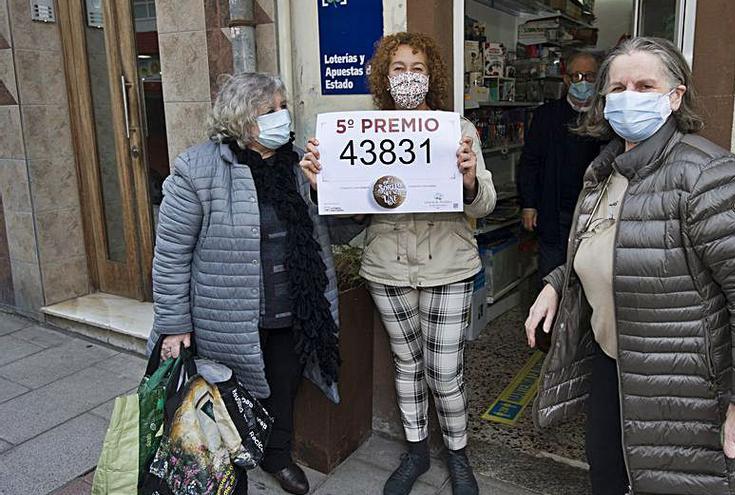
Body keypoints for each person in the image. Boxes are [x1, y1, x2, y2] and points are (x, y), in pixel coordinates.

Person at [524, 38, 735, 495]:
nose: (628, 96)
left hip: (684, 386)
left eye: (645, 85)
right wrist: (558, 283)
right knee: (608, 478)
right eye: (618, 87)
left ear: (675, 96)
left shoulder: (707, 174)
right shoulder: (605, 170)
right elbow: (600, 248)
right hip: (613, 367)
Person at [300, 32, 496, 495]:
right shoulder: (363, 133)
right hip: (388, 267)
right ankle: (416, 452)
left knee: (444, 370)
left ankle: (458, 454)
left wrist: (469, 181)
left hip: (448, 264)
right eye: (399, 69)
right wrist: (320, 185)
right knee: (407, 365)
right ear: (385, 78)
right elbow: (351, 214)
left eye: (419, 69)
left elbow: (484, 205)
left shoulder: (457, 130)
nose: (409, 78)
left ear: (433, 77)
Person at [147, 73, 342, 495]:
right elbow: (171, 255)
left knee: (283, 388)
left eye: (283, 106)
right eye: (270, 110)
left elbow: (341, 231)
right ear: (242, 120)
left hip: (293, 307)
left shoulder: (299, 165)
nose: (282, 116)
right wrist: (175, 324)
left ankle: (277, 456)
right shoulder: (196, 169)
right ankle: (222, 467)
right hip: (227, 317)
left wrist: (324, 188)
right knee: (224, 396)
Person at [517, 50, 608, 278]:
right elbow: (530, 162)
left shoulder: (608, 116)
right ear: (566, 79)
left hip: (596, 214)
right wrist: (529, 204)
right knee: (552, 275)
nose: (583, 82)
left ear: (599, 80)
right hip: (555, 211)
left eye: (589, 76)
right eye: (577, 76)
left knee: (590, 277)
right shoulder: (546, 116)